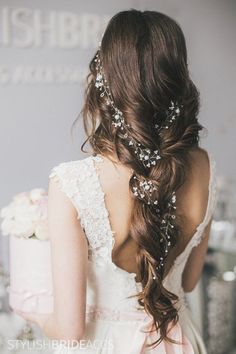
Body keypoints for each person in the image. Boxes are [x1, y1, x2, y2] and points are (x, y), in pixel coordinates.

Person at [16, 9, 218, 354]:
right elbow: (188, 280)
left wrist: (32, 312)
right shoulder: (204, 167)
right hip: (175, 344)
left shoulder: (72, 183)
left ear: (103, 80)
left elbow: (70, 331)